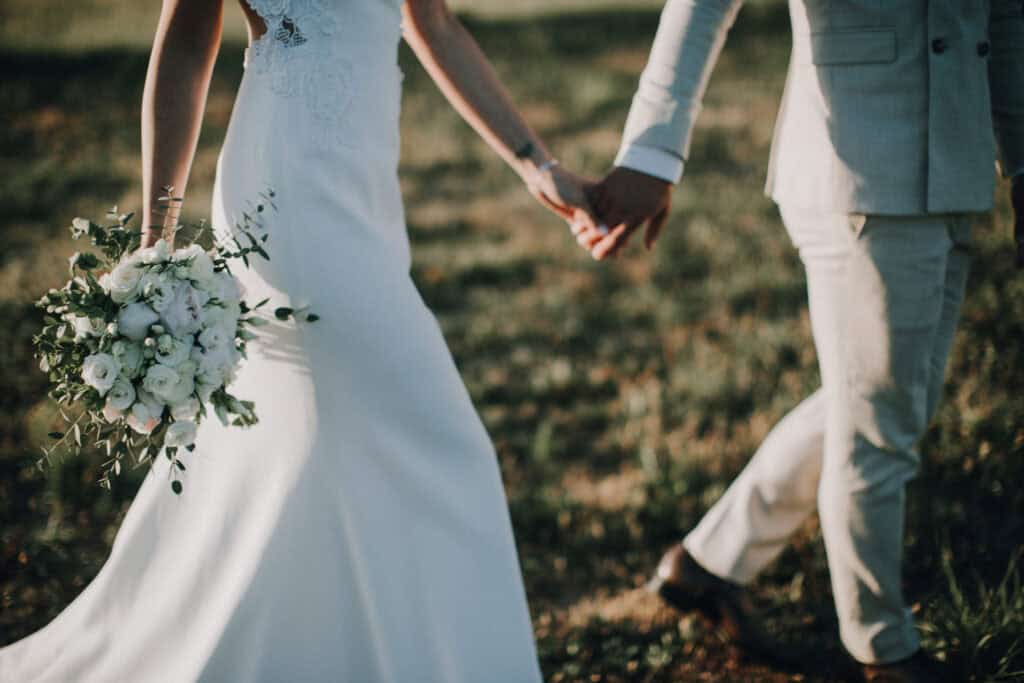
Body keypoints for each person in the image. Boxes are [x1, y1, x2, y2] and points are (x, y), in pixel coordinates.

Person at [0, 1, 597, 680]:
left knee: (312, 458)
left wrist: (533, 161)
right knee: (444, 445)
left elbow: (433, 23)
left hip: (367, 191)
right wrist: (153, 244)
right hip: (287, 201)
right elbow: (187, 40)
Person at [574, 1, 1024, 680]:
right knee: (878, 424)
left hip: (956, 164)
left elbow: (1009, 16)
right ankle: (883, 647)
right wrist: (653, 151)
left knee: (888, 402)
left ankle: (705, 564)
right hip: (859, 163)